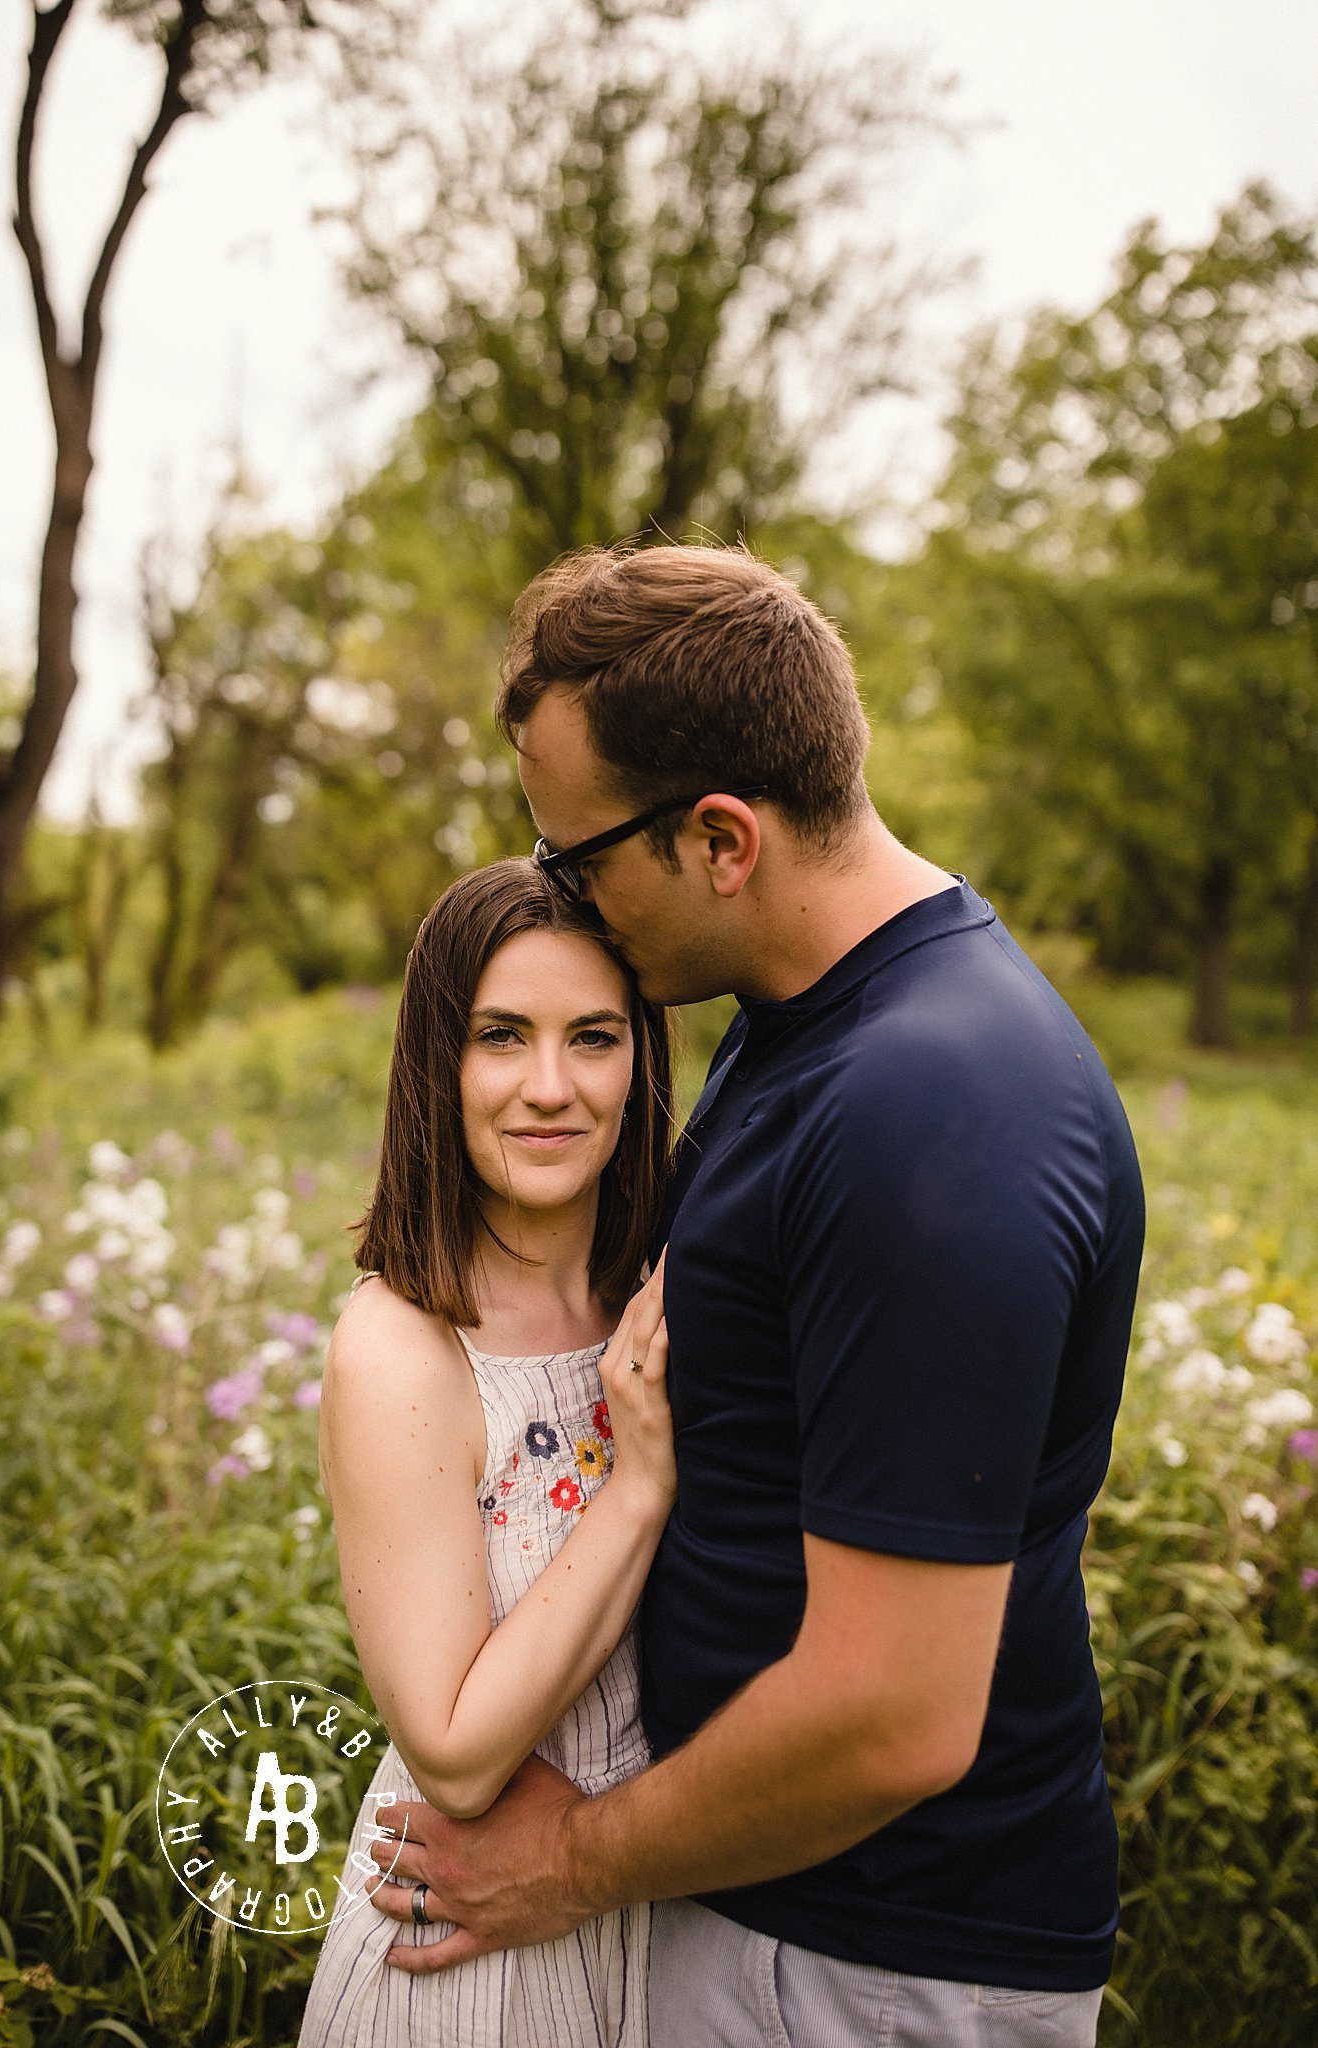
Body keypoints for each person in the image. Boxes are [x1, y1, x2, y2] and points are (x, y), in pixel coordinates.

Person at [366, 543, 1146, 2048]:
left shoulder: (928, 1112)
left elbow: (895, 1714)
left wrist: (567, 1864)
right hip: (767, 1910)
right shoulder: (802, 1022)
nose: (569, 900)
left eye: (577, 860)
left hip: (869, 1963)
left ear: (722, 839)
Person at [297, 857, 675, 2047]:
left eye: (595, 1036)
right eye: (501, 1035)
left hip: (658, 1922)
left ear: (641, 1059)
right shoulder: (402, 1348)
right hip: (466, 1953)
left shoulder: (664, 1289)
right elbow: (454, 1755)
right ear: (438, 1065)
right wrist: (640, 1486)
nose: (550, 1087)